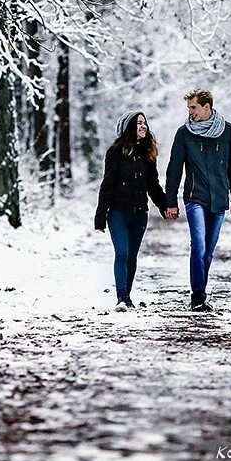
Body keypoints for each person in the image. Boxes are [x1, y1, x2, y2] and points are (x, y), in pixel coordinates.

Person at [164, 88, 231, 312]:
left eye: (193, 107)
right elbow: (174, 170)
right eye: (189, 107)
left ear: (206, 107)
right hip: (194, 197)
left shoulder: (227, 131)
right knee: (198, 244)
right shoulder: (184, 133)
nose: (190, 112)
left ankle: (201, 292)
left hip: (219, 199)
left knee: (209, 249)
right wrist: (171, 202)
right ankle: (198, 295)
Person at [95, 111, 169, 312]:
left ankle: (127, 296)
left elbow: (153, 185)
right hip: (117, 212)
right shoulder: (115, 152)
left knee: (132, 256)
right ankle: (121, 298)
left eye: (144, 123)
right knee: (122, 252)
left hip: (139, 213)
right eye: (138, 123)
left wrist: (164, 206)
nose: (144, 126)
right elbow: (107, 184)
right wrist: (101, 215)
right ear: (129, 128)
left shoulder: (148, 154)